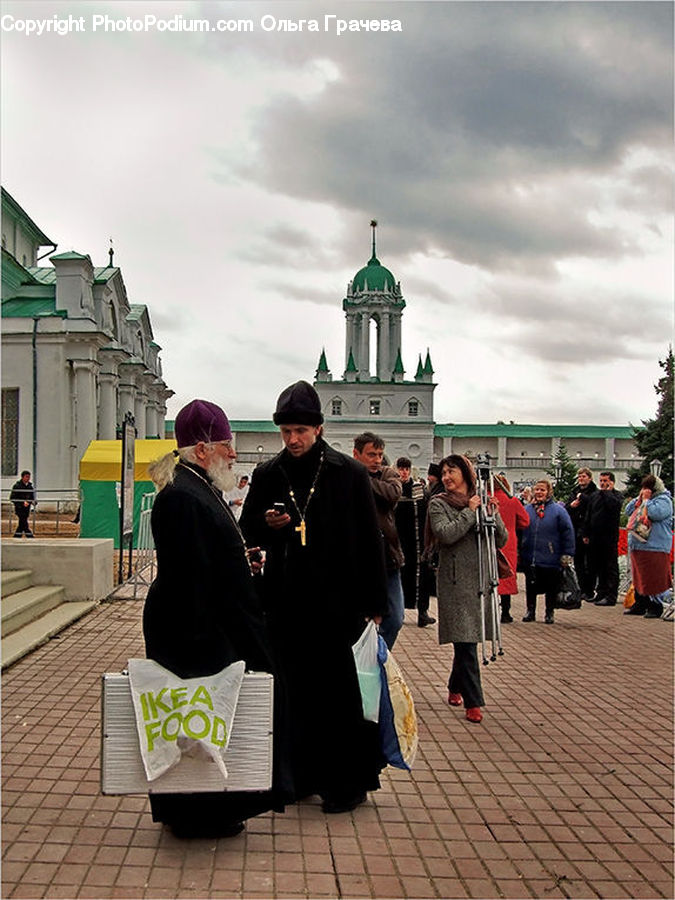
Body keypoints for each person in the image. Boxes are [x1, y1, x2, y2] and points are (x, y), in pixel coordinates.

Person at [143, 399, 291, 838]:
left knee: (204, 726)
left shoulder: (195, 488)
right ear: (203, 450)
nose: (233, 454)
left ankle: (209, 810)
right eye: (227, 445)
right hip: (196, 637)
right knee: (193, 725)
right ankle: (195, 817)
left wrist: (239, 561)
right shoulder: (184, 498)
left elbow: (205, 561)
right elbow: (192, 582)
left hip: (203, 630)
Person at [240, 381, 388, 814]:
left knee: (338, 697)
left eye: (301, 430)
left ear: (319, 429)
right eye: (286, 431)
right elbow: (247, 531)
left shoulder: (348, 473)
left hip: (338, 605)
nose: (293, 439)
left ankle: (345, 786)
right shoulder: (270, 474)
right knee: (295, 694)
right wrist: (269, 525)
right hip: (286, 604)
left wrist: (375, 605)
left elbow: (368, 540)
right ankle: (300, 778)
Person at [427, 454, 508, 724]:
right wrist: (470, 512)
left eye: (452, 471)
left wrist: (491, 515)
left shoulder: (480, 500)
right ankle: (474, 703)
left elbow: (501, 538)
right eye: (444, 473)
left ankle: (455, 685)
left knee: (467, 637)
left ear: (466, 473)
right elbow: (446, 534)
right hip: (455, 581)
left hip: (481, 578)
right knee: (466, 640)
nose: (447, 477)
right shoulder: (438, 503)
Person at [353, 433, 405, 649]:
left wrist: (360, 478)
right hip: (357, 561)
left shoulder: (388, 474)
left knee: (395, 618)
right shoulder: (344, 476)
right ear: (356, 454)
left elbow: (393, 493)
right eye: (371, 454)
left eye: (380, 455)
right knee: (359, 620)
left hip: (388, 560)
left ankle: (379, 656)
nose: (377, 460)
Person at [520, 480, 576, 624]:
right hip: (530, 556)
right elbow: (519, 529)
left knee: (551, 586)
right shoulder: (527, 509)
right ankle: (530, 611)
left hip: (551, 557)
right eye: (537, 490)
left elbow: (567, 532)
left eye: (542, 490)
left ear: (548, 492)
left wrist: (567, 553)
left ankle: (549, 612)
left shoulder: (558, 510)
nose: (539, 493)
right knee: (530, 585)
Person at [624, 474, 674, 619]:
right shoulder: (644, 499)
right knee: (639, 576)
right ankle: (640, 603)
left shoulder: (664, 501)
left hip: (655, 545)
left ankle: (655, 606)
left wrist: (646, 501)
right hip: (638, 544)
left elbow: (655, 514)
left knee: (654, 577)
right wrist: (639, 499)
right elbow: (628, 510)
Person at [395, 457, 436, 628]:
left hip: (417, 541)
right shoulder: (393, 488)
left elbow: (426, 513)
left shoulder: (418, 489)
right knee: (400, 578)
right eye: (401, 469)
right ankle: (398, 612)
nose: (404, 472)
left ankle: (422, 613)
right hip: (398, 541)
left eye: (406, 469)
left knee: (422, 578)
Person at [491, 474, 529, 623]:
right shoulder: (512, 501)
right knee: (506, 575)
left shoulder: (484, 499)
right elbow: (525, 521)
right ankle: (505, 612)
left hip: (489, 539)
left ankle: (490, 610)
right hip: (508, 542)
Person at [581, 471, 623, 606]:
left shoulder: (616, 496)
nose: (603, 483)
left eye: (606, 481)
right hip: (595, 537)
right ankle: (600, 593)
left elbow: (614, 508)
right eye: (602, 481)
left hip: (609, 538)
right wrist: (585, 533)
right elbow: (589, 514)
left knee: (610, 567)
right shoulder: (594, 496)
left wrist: (608, 492)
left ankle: (611, 596)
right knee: (597, 567)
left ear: (612, 482)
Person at [565, 467, 598, 599]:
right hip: (575, 529)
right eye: (579, 477)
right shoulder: (575, 491)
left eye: (584, 476)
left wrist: (583, 498)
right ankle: (581, 588)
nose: (581, 479)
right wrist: (571, 506)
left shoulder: (594, 492)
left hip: (588, 530)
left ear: (589, 478)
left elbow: (593, 507)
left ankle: (589, 590)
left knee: (589, 562)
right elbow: (567, 507)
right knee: (578, 561)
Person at [10, 470, 35, 537]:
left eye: (29, 477)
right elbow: (13, 497)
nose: (28, 478)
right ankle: (30, 536)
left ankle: (17, 536)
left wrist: (31, 502)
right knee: (24, 522)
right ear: (22, 477)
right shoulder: (17, 486)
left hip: (26, 508)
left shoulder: (30, 486)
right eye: (26, 477)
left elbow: (31, 497)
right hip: (19, 508)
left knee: (22, 523)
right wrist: (22, 503)